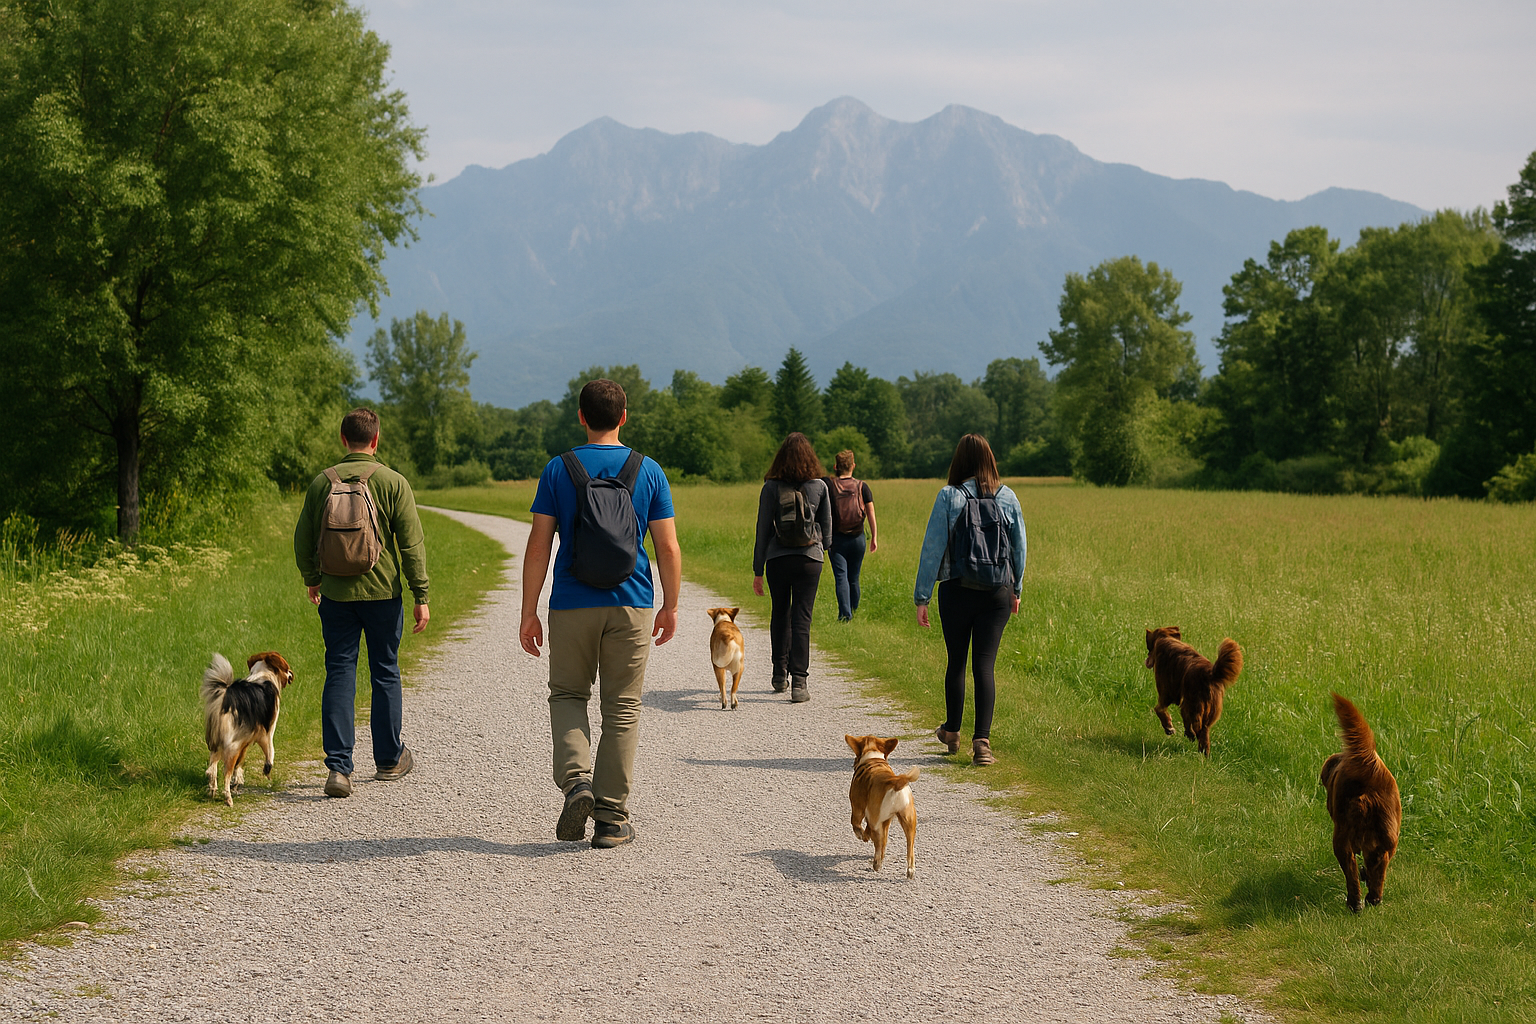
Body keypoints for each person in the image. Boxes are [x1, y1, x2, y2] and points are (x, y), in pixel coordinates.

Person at [519, 379, 680, 849]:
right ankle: (611, 819)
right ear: (624, 417)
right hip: (631, 604)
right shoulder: (648, 471)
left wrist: (529, 612)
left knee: (568, 694)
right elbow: (667, 547)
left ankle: (576, 784)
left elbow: (537, 549)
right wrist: (670, 605)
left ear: (581, 417)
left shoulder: (557, 470)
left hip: (571, 603)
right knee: (623, 708)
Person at [294, 408, 430, 799]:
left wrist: (313, 578)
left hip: (336, 595)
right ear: (376, 440)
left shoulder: (323, 483)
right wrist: (421, 594)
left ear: (343, 439)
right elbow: (411, 544)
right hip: (384, 594)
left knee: (339, 671)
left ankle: (339, 767)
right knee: (385, 670)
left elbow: (303, 539)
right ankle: (388, 760)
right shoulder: (393, 482)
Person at [912, 433, 1026, 767]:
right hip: (997, 592)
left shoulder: (949, 496)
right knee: (985, 666)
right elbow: (1019, 548)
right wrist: (1016, 589)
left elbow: (932, 548)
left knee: (957, 662)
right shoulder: (1008, 497)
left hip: (956, 588)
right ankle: (983, 744)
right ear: (990, 459)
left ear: (959, 461)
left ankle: (952, 732)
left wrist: (923, 596)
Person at [752, 432, 833, 703]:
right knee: (802, 619)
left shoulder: (771, 488)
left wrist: (758, 570)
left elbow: (762, 530)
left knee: (780, 614)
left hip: (778, 559)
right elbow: (828, 529)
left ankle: (778, 674)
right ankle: (800, 682)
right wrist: (824, 551)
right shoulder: (819, 486)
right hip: (810, 559)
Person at [823, 449, 878, 622]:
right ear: (853, 465)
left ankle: (845, 615)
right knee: (854, 577)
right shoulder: (862, 486)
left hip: (837, 539)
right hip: (858, 539)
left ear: (835, 466)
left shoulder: (830, 485)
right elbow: (871, 514)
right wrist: (874, 537)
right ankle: (854, 611)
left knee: (841, 577)